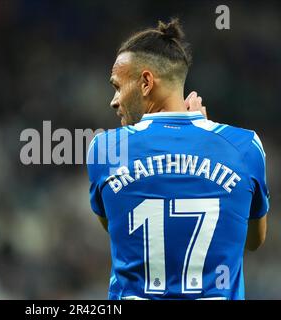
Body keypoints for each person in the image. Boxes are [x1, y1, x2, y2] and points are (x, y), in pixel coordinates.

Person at [86, 18, 269, 300]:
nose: (114, 100)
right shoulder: (245, 147)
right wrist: (208, 142)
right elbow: (252, 240)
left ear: (146, 82)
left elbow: (118, 227)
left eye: (118, 86)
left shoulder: (105, 150)